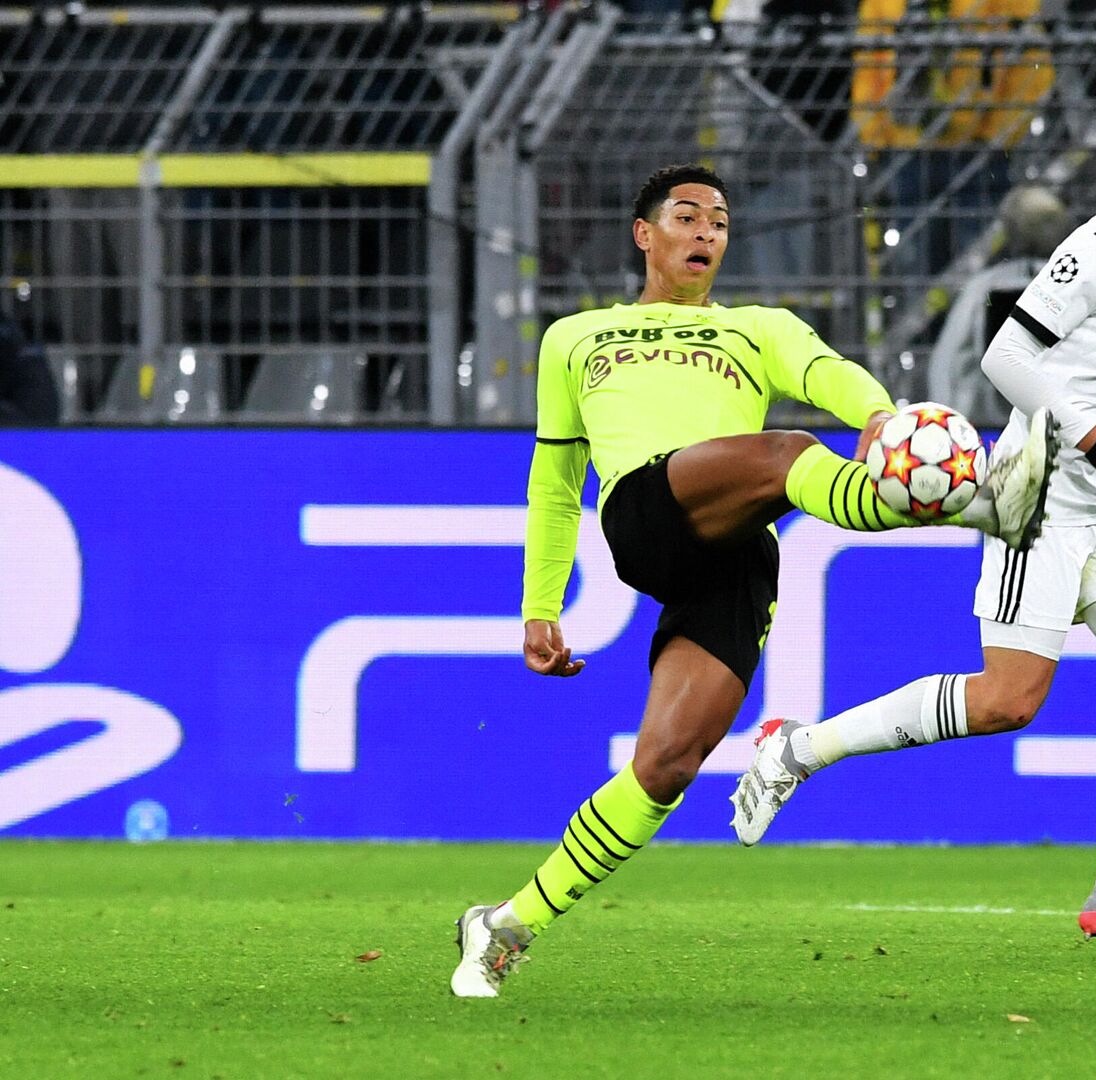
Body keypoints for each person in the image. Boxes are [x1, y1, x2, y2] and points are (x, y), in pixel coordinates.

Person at [449, 162, 1059, 998]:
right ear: (645, 234)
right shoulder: (575, 337)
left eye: (720, 222)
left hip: (735, 551)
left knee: (666, 764)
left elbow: (825, 372)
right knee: (785, 454)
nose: (706, 233)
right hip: (647, 512)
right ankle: (975, 508)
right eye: (688, 217)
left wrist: (878, 417)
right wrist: (539, 607)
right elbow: (555, 484)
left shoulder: (757, 328)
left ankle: (505, 924)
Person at [730, 96, 1096, 954]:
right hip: (1037, 499)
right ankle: (796, 750)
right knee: (1007, 703)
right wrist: (1091, 436)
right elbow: (1008, 355)